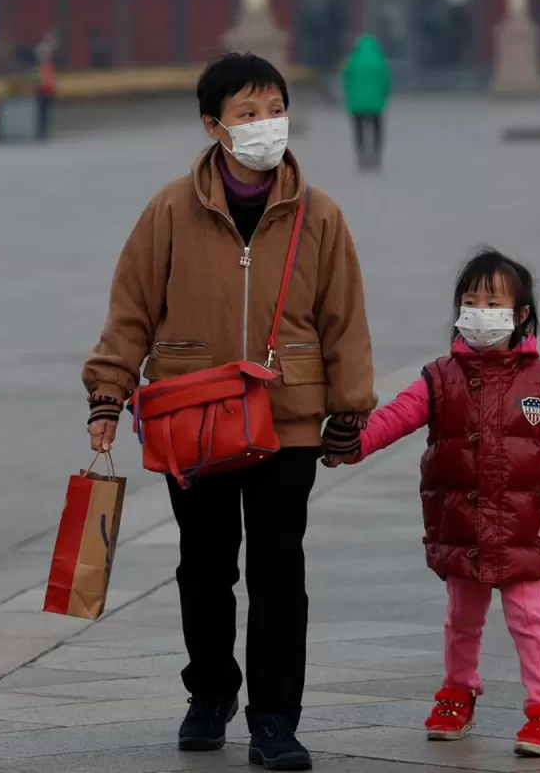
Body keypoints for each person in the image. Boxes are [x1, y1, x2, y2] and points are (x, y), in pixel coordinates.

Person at [82, 52, 376, 771]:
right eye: (246, 114)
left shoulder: (321, 215)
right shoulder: (170, 210)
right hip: (196, 417)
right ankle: (209, 691)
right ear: (213, 125)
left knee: (280, 570)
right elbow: (131, 310)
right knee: (204, 567)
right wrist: (107, 395)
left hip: (289, 418)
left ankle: (275, 718)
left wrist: (350, 410)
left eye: (273, 109)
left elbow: (345, 320)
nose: (264, 126)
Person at [327, 249, 540, 759]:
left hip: (524, 528)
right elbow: (397, 416)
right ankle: (456, 692)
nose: (479, 311)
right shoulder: (440, 377)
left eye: (492, 302)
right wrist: (352, 445)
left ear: (521, 315)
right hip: (462, 524)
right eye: (470, 301)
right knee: (461, 618)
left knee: (529, 620)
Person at [341, 35, 391, 170]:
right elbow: (385, 81)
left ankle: (361, 155)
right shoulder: (379, 60)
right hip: (376, 103)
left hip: (357, 103)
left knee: (359, 130)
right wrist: (385, 95)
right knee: (376, 129)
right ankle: (376, 155)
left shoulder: (353, 60)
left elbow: (347, 80)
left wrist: (348, 98)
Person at [35, 44, 58, 141]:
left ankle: (44, 133)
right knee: (41, 113)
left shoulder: (47, 66)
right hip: (41, 91)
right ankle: (42, 132)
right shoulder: (41, 66)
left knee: (45, 113)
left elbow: (49, 79)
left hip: (46, 91)